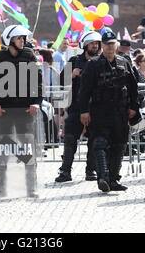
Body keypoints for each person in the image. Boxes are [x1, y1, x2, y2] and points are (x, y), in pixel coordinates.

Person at [79, 31, 139, 192]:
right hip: (100, 110)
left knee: (119, 145)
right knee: (100, 142)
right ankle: (102, 177)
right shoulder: (93, 64)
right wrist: (84, 111)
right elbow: (84, 90)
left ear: (116, 45)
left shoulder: (124, 62)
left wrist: (134, 106)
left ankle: (113, 179)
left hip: (120, 111)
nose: (110, 46)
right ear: (102, 45)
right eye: (106, 44)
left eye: (112, 43)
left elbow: (133, 86)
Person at [0, 24, 43, 198]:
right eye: (19, 38)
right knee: (3, 148)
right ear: (9, 40)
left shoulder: (29, 55)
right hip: (3, 111)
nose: (22, 41)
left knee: (27, 148)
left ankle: (31, 187)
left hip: (25, 110)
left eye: (23, 38)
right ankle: (0, 187)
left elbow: (38, 82)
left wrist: (36, 103)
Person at [55, 31, 102, 183]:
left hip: (95, 107)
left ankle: (91, 170)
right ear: (84, 45)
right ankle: (65, 171)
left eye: (97, 43)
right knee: (69, 139)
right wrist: (71, 75)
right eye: (92, 43)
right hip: (75, 106)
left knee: (94, 140)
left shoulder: (100, 62)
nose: (95, 46)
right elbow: (60, 81)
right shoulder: (74, 60)